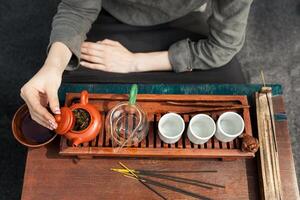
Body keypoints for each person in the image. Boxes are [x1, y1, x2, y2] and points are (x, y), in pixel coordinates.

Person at [20, 0, 253, 130]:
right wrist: (53, 66)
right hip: (107, 12)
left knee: (232, 99)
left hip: (182, 20)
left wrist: (134, 62)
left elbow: (223, 46)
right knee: (62, 101)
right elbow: (77, 9)